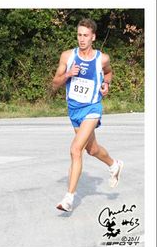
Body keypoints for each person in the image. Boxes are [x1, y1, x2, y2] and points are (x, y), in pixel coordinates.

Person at [52, 18, 123, 212]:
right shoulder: (67, 57)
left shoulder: (102, 59)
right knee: (91, 149)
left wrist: (106, 84)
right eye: (79, 35)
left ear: (93, 37)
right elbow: (54, 84)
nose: (82, 39)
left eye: (85, 35)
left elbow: (108, 73)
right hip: (73, 110)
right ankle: (114, 164)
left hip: (92, 108)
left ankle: (69, 198)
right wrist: (68, 74)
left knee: (76, 149)